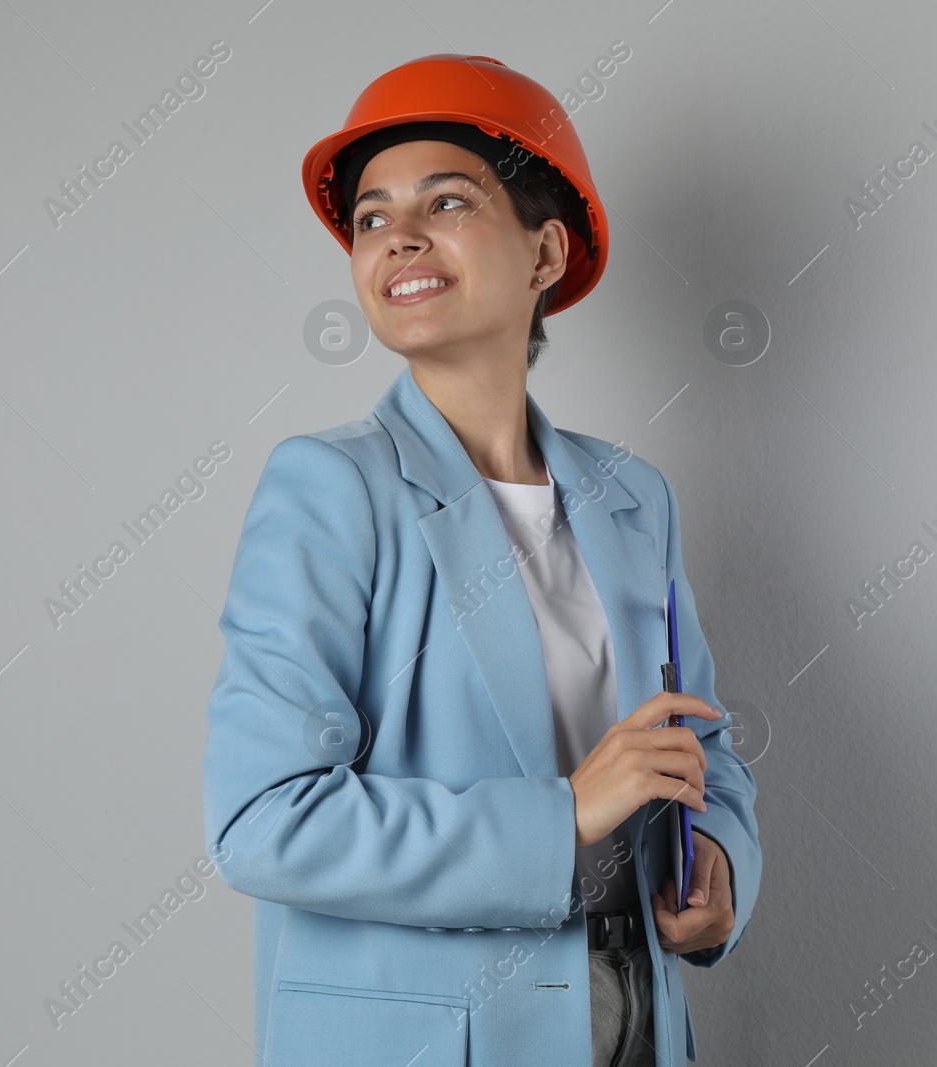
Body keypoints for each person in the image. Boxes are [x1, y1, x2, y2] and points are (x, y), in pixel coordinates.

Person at [201, 55, 761, 1067]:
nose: (398, 237)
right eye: (371, 217)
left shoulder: (634, 497)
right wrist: (563, 818)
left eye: (446, 201)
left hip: (636, 1015)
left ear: (544, 252)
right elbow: (263, 815)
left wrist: (719, 860)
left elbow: (699, 748)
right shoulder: (330, 489)